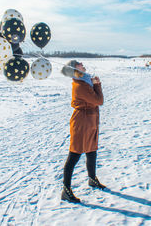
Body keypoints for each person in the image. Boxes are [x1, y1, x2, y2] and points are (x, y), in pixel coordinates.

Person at [61, 60, 106, 203]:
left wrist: (94, 83)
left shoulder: (85, 81)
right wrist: (98, 85)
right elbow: (99, 100)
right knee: (74, 154)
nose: (82, 63)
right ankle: (66, 191)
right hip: (82, 122)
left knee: (91, 151)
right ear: (75, 68)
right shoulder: (80, 85)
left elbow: (95, 101)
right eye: (78, 63)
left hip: (90, 120)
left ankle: (92, 179)